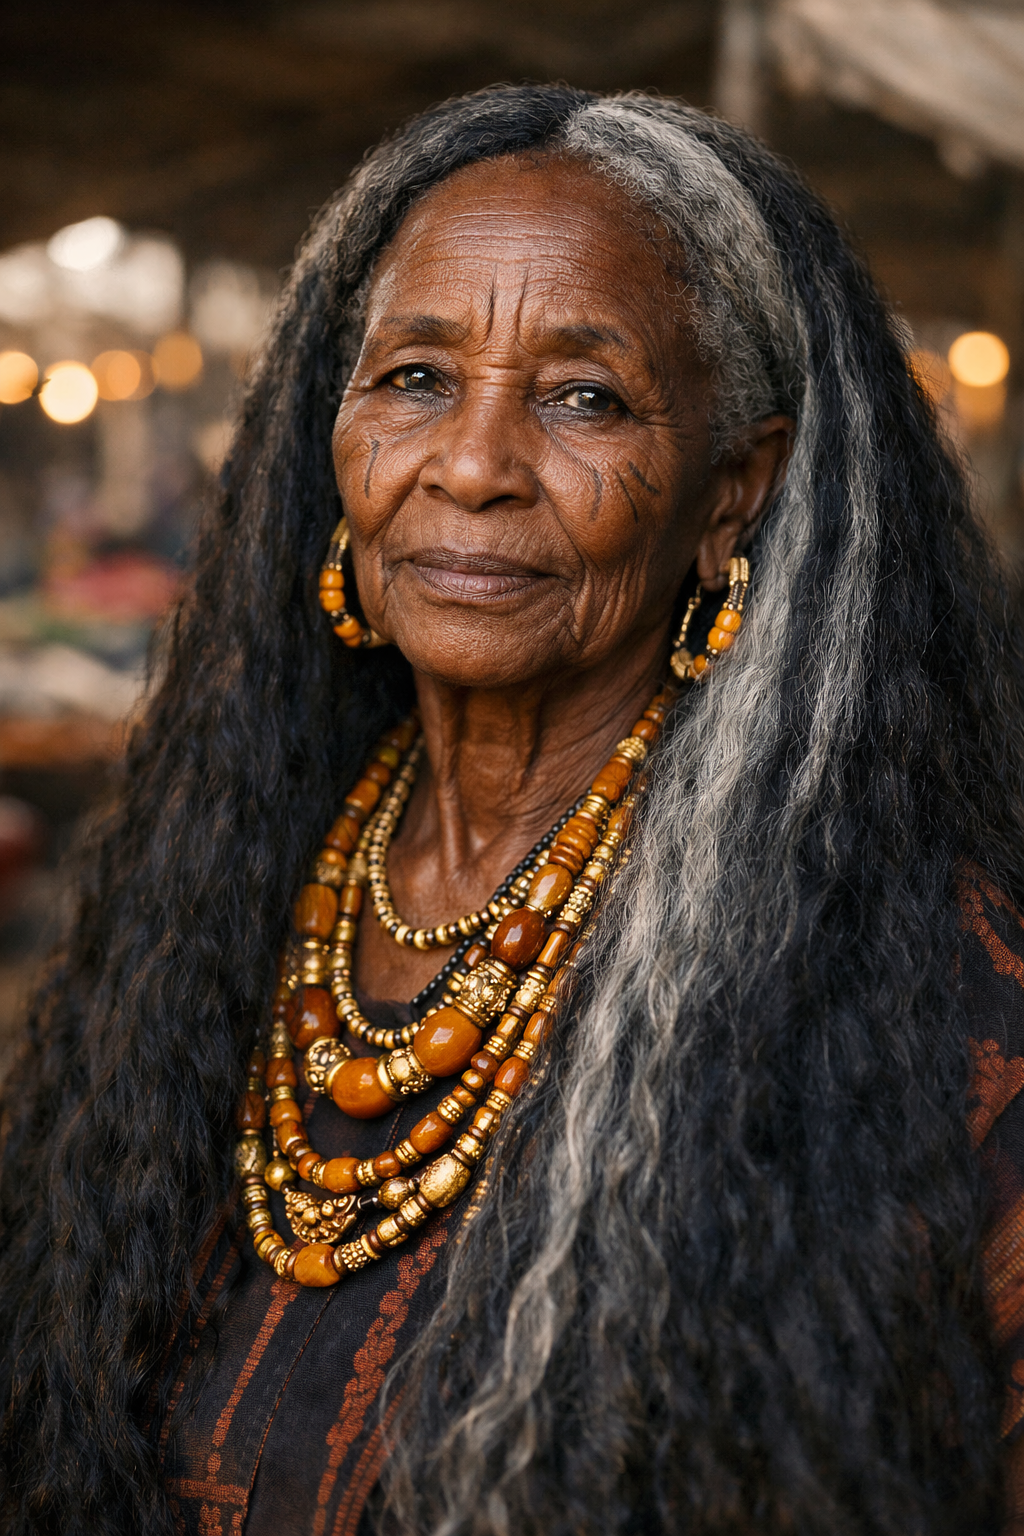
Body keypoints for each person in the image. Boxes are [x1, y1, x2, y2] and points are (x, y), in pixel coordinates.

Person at [2, 83, 1024, 1536]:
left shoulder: (937, 1022)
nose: (472, 466)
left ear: (735, 493)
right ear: (332, 427)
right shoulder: (212, 904)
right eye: (416, 376)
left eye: (583, 397)